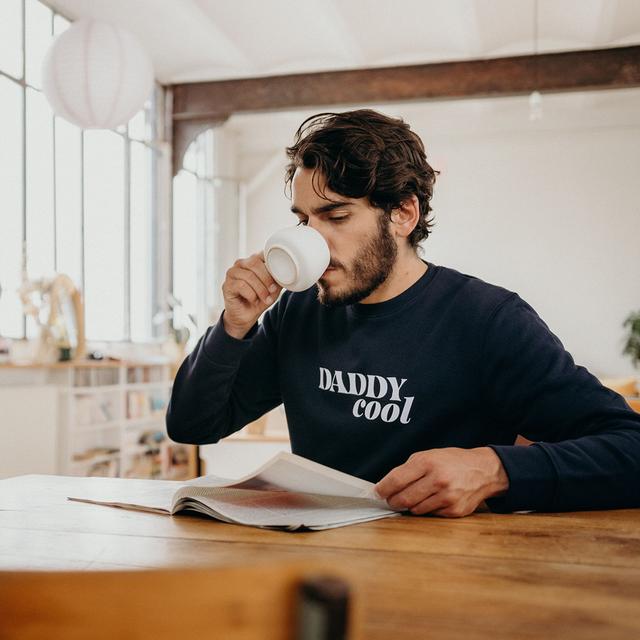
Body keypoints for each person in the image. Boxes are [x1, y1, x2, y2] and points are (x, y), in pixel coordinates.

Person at [167, 109, 640, 517]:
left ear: (403, 214)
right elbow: (192, 426)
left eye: (336, 217)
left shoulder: (487, 319)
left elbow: (630, 448)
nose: (312, 239)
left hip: (441, 576)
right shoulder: (297, 311)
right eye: (303, 220)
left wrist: (496, 470)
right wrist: (233, 325)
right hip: (318, 562)